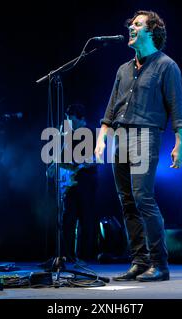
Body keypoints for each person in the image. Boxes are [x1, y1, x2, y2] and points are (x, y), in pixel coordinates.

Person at [95, 10, 182, 281]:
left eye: (137, 25)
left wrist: (179, 142)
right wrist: (102, 137)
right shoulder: (123, 69)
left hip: (146, 135)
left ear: (152, 32)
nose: (131, 28)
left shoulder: (167, 66)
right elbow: (111, 108)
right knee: (126, 202)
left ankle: (160, 264)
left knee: (142, 197)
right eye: (131, 25)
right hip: (120, 138)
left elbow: (177, 108)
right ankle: (139, 261)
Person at [48, 104, 99, 263]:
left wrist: (78, 166)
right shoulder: (68, 134)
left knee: (85, 219)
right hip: (71, 183)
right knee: (67, 219)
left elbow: (97, 159)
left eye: (71, 118)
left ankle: (84, 256)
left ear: (80, 118)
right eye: (67, 118)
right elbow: (62, 156)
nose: (68, 121)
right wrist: (54, 165)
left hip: (86, 182)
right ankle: (67, 255)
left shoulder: (91, 132)